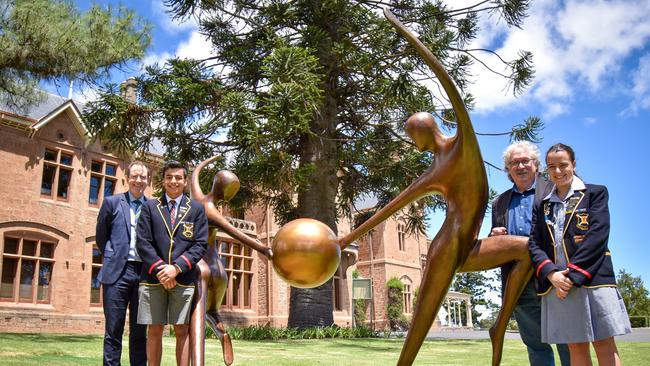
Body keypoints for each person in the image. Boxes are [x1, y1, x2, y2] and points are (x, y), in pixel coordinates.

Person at [529, 143, 631, 366]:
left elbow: (598, 236)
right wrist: (552, 275)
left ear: (573, 164)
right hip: (558, 285)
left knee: (604, 343)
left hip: (592, 279)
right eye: (551, 166)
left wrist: (572, 277)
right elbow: (534, 244)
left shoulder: (595, 193)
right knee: (575, 346)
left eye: (563, 165)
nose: (557, 171)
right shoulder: (542, 205)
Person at [490, 141, 570, 366]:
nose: (521, 166)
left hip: (555, 279)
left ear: (535, 164)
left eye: (526, 161)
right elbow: (495, 247)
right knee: (535, 345)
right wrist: (494, 235)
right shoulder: (500, 202)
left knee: (568, 342)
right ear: (508, 169)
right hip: (520, 285)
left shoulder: (554, 190)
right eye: (514, 162)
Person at [136, 160, 208, 366]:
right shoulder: (150, 207)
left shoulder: (196, 210)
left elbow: (200, 245)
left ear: (185, 181)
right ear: (163, 180)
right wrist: (162, 270)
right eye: (169, 177)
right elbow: (143, 242)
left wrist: (176, 268)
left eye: (178, 177)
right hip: (153, 278)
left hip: (183, 278)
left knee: (181, 329)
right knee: (155, 328)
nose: (173, 181)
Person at [96, 161, 149, 366]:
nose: (138, 180)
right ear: (127, 178)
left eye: (142, 177)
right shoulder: (111, 202)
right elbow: (102, 236)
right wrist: (112, 254)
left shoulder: (153, 207)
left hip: (144, 274)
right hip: (117, 273)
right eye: (135, 176)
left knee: (139, 333)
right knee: (113, 330)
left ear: (147, 180)